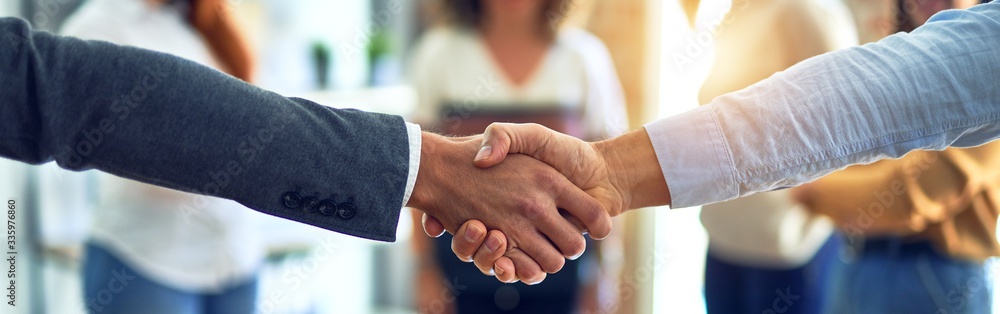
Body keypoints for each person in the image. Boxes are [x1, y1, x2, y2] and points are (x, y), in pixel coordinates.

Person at [0, 16, 613, 282]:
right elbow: (75, 94)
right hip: (144, 256)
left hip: (230, 253)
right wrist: (426, 169)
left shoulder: (227, 26)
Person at [438, 2, 1000, 283]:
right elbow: (867, 90)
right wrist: (611, 171)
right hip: (738, 238)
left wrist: (809, 197)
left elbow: (873, 113)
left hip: (864, 260)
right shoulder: (731, 13)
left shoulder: (808, 12)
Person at [408, 0, 627, 311]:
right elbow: (417, 169)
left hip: (564, 270)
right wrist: (424, 270)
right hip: (460, 269)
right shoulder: (438, 54)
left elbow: (608, 179)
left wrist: (606, 271)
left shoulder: (584, 57)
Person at [791, 0, 995, 313]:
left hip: (929, 275)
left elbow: (913, 193)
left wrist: (812, 190)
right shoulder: (899, 60)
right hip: (854, 261)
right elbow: (852, 152)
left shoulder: (989, 66)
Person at [59, 0, 262, 312]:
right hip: (144, 263)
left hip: (235, 260)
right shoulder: (96, 27)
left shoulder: (204, 19)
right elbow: (120, 148)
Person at [694, 0, 855, 312]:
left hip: (786, 244)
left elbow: (843, 116)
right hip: (726, 235)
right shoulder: (737, 14)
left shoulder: (807, 12)